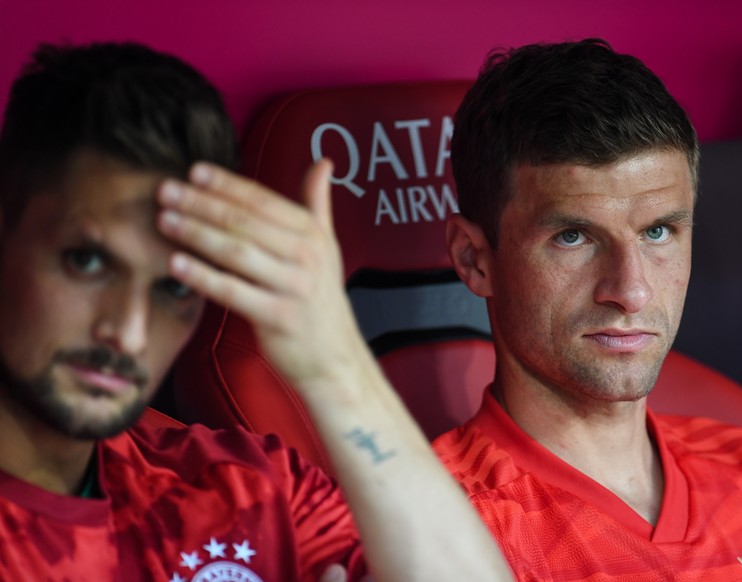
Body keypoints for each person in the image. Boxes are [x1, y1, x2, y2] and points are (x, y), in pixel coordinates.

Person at [0, 42, 514, 582]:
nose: (127, 331)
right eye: (86, 262)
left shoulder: (243, 487)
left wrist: (336, 362)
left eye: (175, 287)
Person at [432, 39, 742, 581]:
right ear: (474, 259)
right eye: (573, 237)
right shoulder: (433, 537)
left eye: (658, 231)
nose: (631, 291)